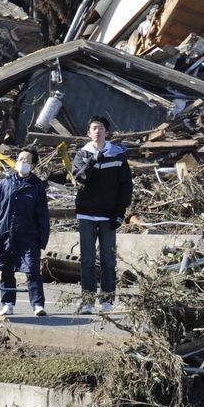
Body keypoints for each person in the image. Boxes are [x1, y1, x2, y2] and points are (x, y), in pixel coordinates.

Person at [0, 148, 50, 317]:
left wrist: (42, 239)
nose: (22, 163)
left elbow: (43, 215)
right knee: (7, 270)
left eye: (27, 161)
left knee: (32, 270)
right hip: (5, 234)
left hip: (28, 236)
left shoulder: (37, 187)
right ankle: (8, 303)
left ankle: (37, 304)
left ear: (33, 165)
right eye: (20, 159)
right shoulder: (5, 184)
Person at [72, 115, 132, 313]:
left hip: (108, 215)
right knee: (87, 259)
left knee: (108, 259)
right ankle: (88, 301)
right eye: (94, 128)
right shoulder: (82, 154)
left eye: (101, 128)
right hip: (86, 214)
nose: (97, 131)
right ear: (88, 133)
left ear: (107, 132)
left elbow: (126, 186)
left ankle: (107, 300)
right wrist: (93, 161)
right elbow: (81, 178)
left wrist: (120, 213)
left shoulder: (118, 155)